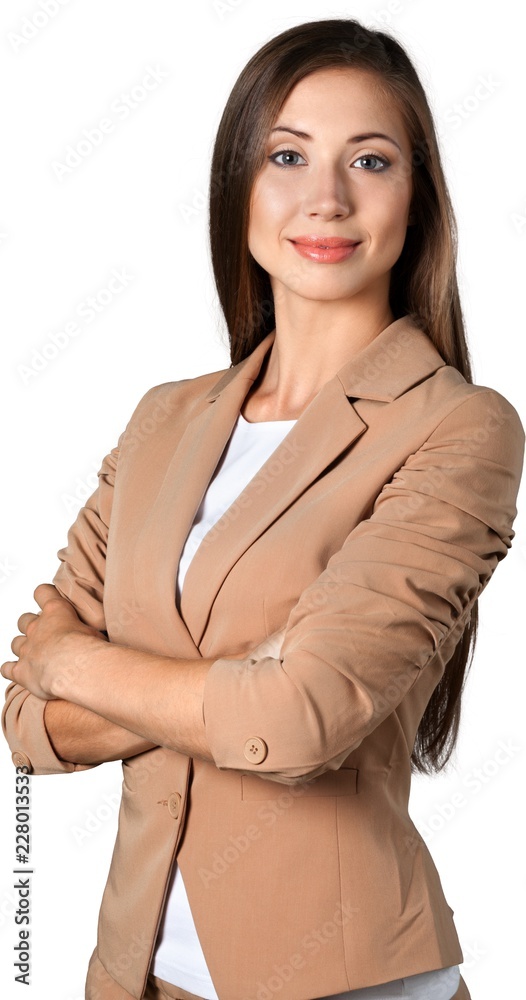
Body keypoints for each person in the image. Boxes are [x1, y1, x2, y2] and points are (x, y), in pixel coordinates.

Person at [2, 16, 524, 1000]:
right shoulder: (164, 418)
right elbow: (28, 720)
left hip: (345, 979)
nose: (324, 197)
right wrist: (231, 689)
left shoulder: (459, 428)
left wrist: (83, 662)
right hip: (134, 972)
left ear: (418, 199)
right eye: (286, 154)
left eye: (369, 159)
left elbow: (300, 719)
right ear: (237, 183)